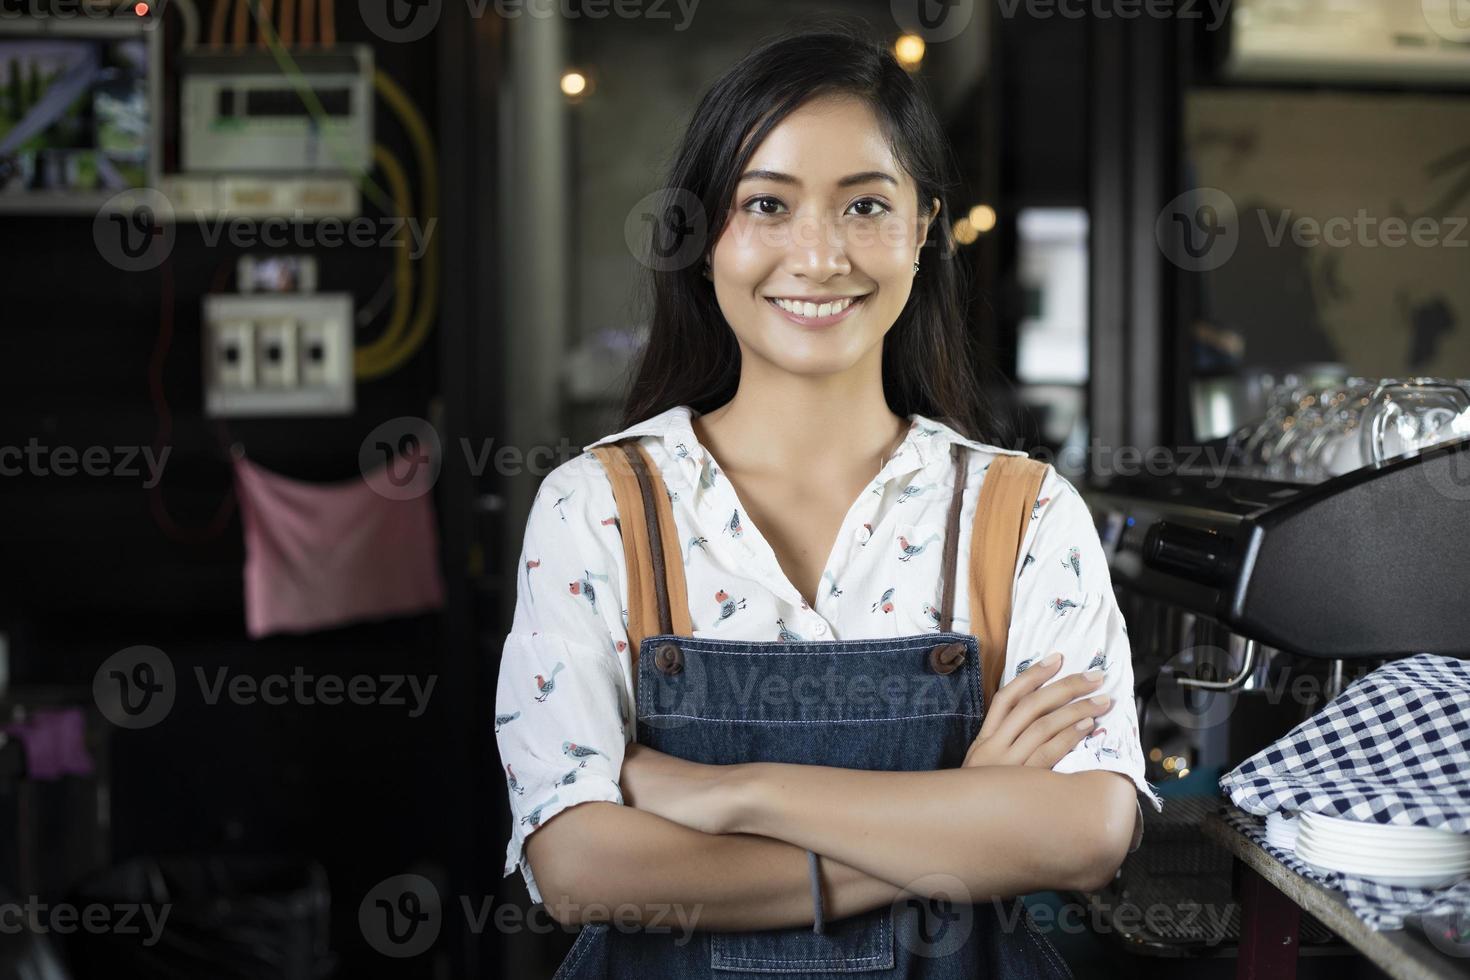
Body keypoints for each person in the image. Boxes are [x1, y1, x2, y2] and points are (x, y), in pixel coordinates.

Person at [495, 25, 1162, 978]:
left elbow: (1090, 830)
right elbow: (579, 866)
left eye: (865, 206)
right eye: (767, 203)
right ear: (704, 233)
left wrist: (742, 793)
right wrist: (954, 825)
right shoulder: (596, 507)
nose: (817, 256)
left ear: (924, 226)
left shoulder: (1021, 514)